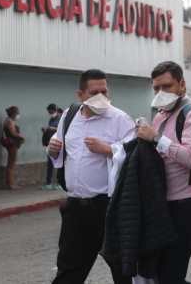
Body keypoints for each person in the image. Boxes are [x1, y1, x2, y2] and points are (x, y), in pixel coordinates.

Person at [47, 69, 134, 284]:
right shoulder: (68, 116)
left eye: (104, 91)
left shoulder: (120, 119)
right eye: (94, 93)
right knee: (69, 268)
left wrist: (108, 149)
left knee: (122, 268)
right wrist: (52, 150)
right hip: (76, 207)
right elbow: (59, 152)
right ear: (81, 95)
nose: (101, 97)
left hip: (108, 207)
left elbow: (135, 156)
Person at [136, 61, 191, 284]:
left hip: (185, 206)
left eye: (167, 87)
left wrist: (156, 138)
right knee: (158, 273)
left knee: (172, 273)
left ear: (182, 85)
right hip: (160, 205)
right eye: (156, 88)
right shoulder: (160, 116)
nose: (161, 93)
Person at [3, 106, 24, 190]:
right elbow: (13, 133)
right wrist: (21, 136)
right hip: (12, 144)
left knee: (10, 163)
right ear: (13, 113)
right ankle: (11, 184)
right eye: (17, 113)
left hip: (12, 143)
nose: (18, 115)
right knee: (11, 164)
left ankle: (10, 183)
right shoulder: (9, 121)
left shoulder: (8, 120)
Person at [41, 103, 61, 190]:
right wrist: (46, 130)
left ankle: (59, 183)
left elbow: (61, 129)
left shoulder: (60, 119)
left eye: (51, 111)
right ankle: (48, 183)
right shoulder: (51, 119)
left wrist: (50, 128)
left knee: (59, 164)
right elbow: (50, 129)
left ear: (55, 110)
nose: (50, 113)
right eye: (49, 112)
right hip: (51, 143)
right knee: (50, 164)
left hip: (58, 144)